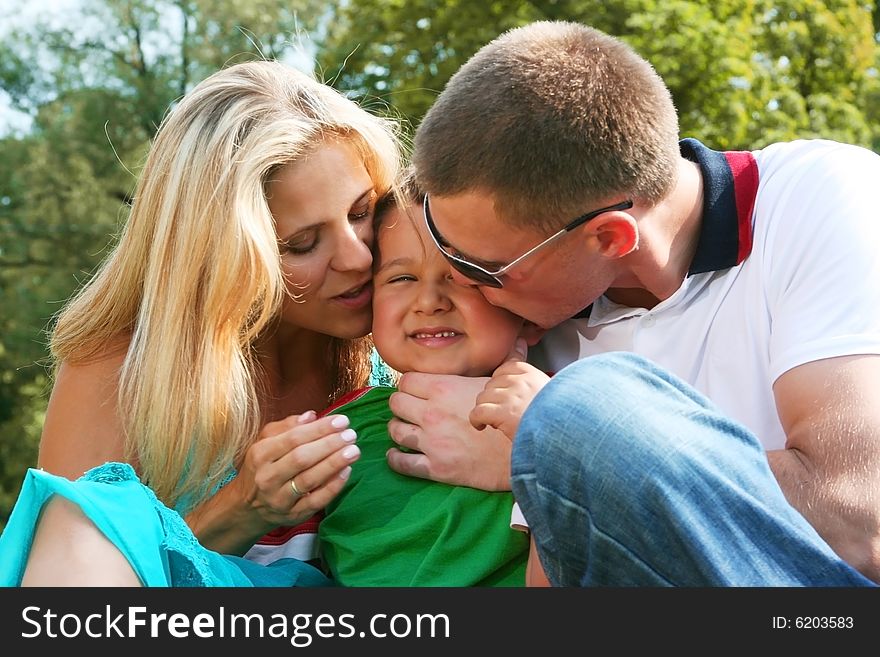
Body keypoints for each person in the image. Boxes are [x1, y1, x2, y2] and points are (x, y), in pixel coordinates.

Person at [388, 20, 880, 586]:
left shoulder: (816, 199)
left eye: (480, 267)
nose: (459, 282)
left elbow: (856, 523)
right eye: (438, 238)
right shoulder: (534, 321)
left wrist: (559, 458)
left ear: (609, 239)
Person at [0, 58, 402, 586]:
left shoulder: (407, 345)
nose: (357, 259)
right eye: (301, 243)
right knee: (85, 519)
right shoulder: (119, 371)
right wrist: (243, 507)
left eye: (360, 212)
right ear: (220, 256)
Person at [313, 174, 541, 586]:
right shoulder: (341, 429)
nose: (429, 301)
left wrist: (540, 451)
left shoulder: (554, 410)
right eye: (401, 279)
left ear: (530, 311)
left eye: (460, 276)